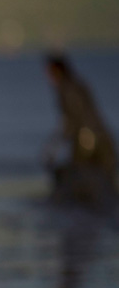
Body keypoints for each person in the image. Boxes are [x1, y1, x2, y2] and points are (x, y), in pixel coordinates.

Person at [43, 52, 118, 210]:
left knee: (83, 180)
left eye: (49, 72)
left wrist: (52, 150)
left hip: (89, 142)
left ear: (56, 70)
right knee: (107, 185)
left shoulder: (66, 88)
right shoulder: (79, 84)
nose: (48, 77)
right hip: (103, 138)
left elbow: (72, 121)